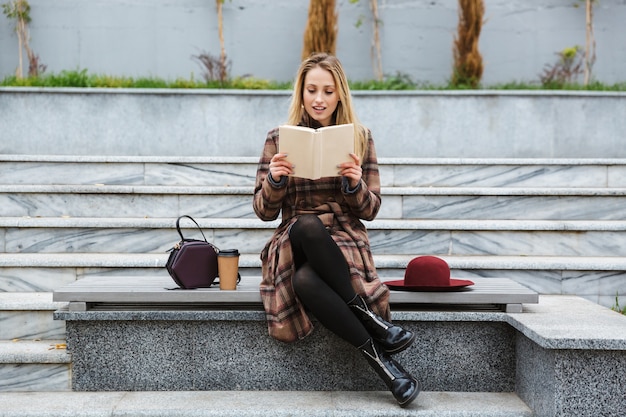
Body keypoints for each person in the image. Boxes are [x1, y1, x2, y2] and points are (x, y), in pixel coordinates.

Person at [252, 52, 420, 408]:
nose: (318, 99)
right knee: (308, 225)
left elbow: (371, 209)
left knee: (305, 282)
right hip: (293, 238)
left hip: (342, 241)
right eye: (311, 90)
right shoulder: (278, 138)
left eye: (328, 91)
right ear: (300, 92)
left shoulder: (360, 137)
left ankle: (387, 368)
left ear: (340, 94)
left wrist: (354, 185)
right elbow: (263, 211)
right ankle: (369, 316)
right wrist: (275, 180)